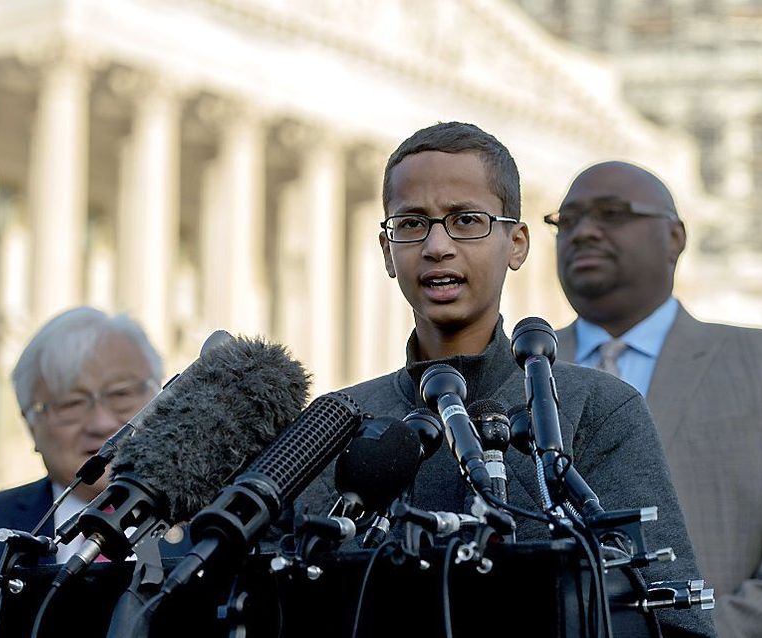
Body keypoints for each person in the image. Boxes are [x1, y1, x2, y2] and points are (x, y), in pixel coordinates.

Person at [297, 123, 716, 636]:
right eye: (411, 224)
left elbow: (675, 621)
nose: (436, 246)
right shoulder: (331, 427)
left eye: (466, 220)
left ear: (516, 244)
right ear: (388, 251)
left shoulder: (596, 408)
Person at [549, 160, 762, 636]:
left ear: (675, 237)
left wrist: (699, 633)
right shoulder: (519, 376)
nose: (584, 232)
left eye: (612, 213)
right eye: (567, 220)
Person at [0, 307, 164, 638]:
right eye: (71, 403)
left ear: (161, 399)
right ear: (30, 425)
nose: (102, 424)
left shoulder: (220, 523)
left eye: (122, 395)